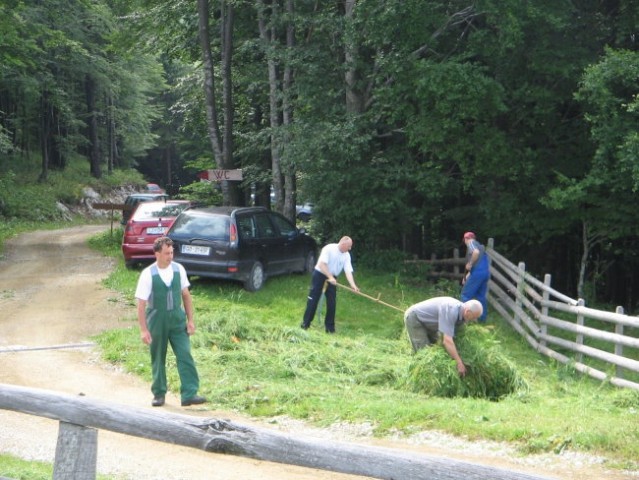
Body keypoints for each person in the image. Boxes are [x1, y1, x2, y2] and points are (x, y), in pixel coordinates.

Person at [135, 236, 206, 407]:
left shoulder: (178, 269)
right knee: (158, 356)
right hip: (157, 320)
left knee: (185, 354)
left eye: (172, 252)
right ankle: (159, 393)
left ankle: (189, 393)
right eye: (167, 253)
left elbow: (186, 296)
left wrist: (190, 321)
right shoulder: (148, 274)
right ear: (157, 253)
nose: (170, 256)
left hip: (177, 319)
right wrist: (144, 330)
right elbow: (141, 305)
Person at [403, 297, 483, 376]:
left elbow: (453, 335)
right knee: (424, 353)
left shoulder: (462, 313)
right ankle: (421, 376)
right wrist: (459, 363)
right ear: (467, 312)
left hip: (431, 323)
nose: (474, 320)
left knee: (436, 347)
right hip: (415, 318)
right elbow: (447, 341)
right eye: (474, 317)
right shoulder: (452, 310)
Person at [301, 236, 360, 333]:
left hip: (332, 278)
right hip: (320, 274)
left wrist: (353, 285)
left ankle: (330, 329)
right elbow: (322, 264)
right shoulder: (329, 249)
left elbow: (348, 271)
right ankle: (305, 324)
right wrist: (330, 277)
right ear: (343, 244)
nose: (350, 249)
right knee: (313, 299)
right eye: (349, 246)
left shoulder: (346, 255)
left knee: (332, 302)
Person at [461, 231, 490, 323]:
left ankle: (464, 319)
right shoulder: (481, 246)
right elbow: (479, 262)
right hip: (485, 273)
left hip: (477, 273)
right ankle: (482, 320)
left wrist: (469, 263)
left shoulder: (471, 243)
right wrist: (467, 276)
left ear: (466, 239)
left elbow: (475, 253)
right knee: (481, 296)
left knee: (465, 295)